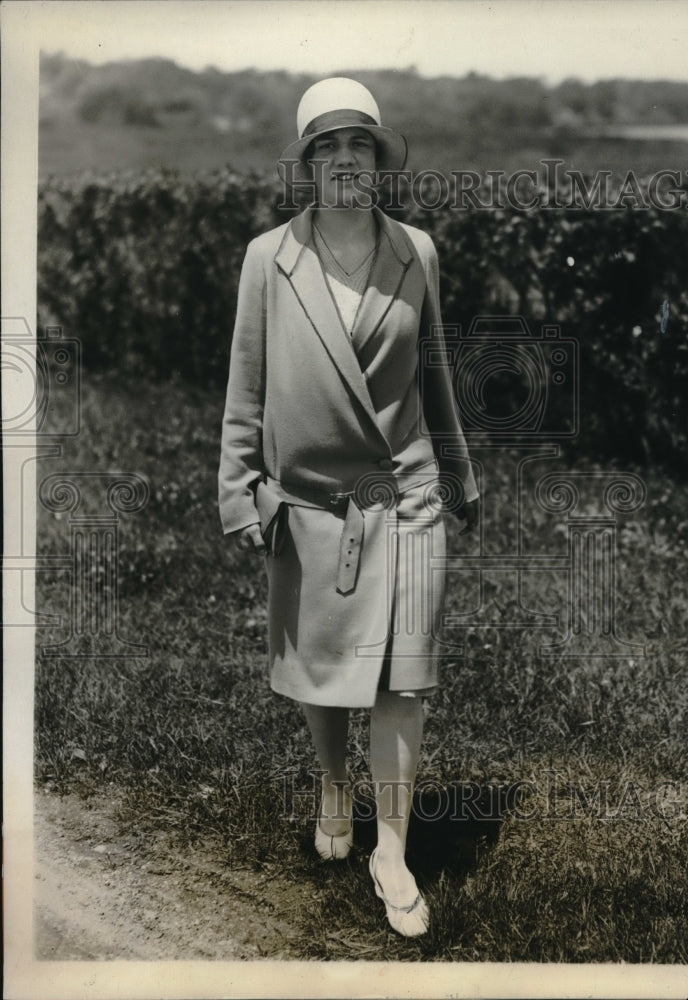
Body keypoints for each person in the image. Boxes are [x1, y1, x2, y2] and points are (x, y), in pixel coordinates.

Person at [219, 77, 479, 937]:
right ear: (305, 166)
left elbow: (432, 371)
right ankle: (334, 784)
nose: (343, 162)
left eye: (358, 145)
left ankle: (391, 847)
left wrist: (459, 474)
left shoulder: (417, 252)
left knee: (405, 675)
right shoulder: (270, 257)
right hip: (313, 504)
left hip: (405, 496)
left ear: (377, 161)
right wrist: (238, 491)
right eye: (325, 147)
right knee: (329, 669)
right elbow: (245, 389)